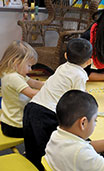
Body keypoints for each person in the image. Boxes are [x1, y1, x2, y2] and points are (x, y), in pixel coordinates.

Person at [23, 38, 92, 170]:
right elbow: (78, 99)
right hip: (46, 114)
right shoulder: (80, 75)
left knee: (33, 150)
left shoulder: (62, 68)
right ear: (90, 61)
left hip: (31, 108)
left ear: (66, 55)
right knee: (47, 151)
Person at [45, 90, 104, 171]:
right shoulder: (80, 152)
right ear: (83, 123)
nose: (95, 124)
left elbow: (87, 146)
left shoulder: (57, 135)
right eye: (95, 120)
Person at [0, 40, 44, 138]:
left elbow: (35, 83)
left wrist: (52, 84)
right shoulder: (13, 78)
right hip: (16, 126)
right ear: (16, 62)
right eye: (29, 65)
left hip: (9, 123)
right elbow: (32, 94)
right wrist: (51, 92)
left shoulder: (14, 73)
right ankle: (35, 152)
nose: (30, 69)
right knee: (48, 126)